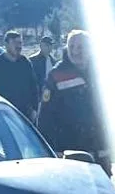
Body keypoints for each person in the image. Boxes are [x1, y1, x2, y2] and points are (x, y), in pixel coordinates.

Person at [39, 30, 111, 175]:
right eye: (71, 46)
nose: (75, 51)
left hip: (100, 152)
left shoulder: (101, 72)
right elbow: (45, 118)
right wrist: (52, 150)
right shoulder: (57, 75)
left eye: (80, 47)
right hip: (70, 152)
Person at [0, 30, 39, 120]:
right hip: (3, 114)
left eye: (20, 43)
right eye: (15, 42)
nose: (18, 46)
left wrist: (34, 109)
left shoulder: (25, 63)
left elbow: (33, 87)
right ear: (6, 44)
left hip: (24, 114)